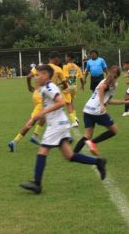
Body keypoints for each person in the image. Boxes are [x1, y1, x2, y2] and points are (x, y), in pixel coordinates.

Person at [20, 65, 107, 194]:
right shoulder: (45, 88)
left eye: (38, 75)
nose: (35, 77)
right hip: (59, 124)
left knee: (42, 151)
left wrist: (41, 113)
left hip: (57, 125)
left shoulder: (50, 87)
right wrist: (35, 119)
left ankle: (37, 184)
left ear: (45, 75)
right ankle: (98, 162)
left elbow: (60, 102)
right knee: (69, 155)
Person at [8, 51, 68, 152]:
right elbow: (65, 85)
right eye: (59, 59)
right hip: (43, 96)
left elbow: (28, 76)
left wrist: (29, 87)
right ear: (56, 59)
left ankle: (35, 136)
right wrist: (58, 86)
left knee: (44, 116)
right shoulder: (58, 69)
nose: (60, 61)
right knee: (34, 118)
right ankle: (14, 141)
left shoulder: (41, 67)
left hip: (36, 94)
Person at [74, 65, 129, 156]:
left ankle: (73, 154)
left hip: (87, 109)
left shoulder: (104, 80)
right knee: (114, 130)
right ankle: (93, 143)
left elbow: (108, 101)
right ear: (118, 75)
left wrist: (125, 102)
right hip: (97, 111)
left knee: (87, 135)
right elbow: (101, 88)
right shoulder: (112, 83)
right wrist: (102, 104)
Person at [63, 52, 85, 127]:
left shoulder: (66, 67)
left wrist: (61, 84)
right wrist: (82, 85)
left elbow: (66, 78)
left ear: (69, 58)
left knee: (68, 104)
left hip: (68, 87)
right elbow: (81, 78)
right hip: (74, 87)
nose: (65, 58)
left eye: (66, 57)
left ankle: (73, 121)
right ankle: (75, 118)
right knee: (71, 102)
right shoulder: (77, 67)